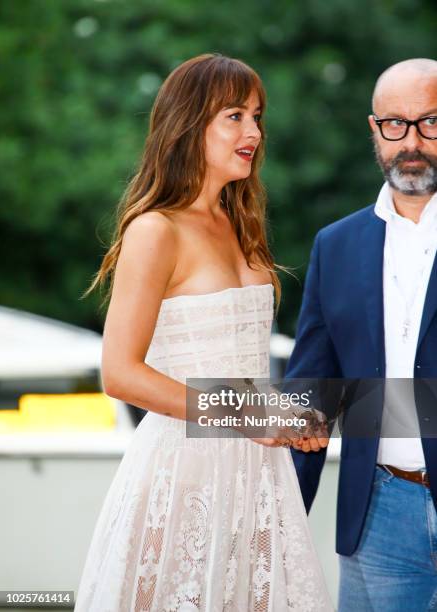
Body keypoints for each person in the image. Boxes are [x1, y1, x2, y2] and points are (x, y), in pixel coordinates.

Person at [75, 54, 333, 611]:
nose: (255, 133)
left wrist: (283, 415)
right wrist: (245, 415)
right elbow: (120, 374)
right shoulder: (155, 231)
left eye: (258, 117)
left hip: (258, 475)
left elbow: (236, 374)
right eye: (235, 116)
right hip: (183, 472)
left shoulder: (241, 225)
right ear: (190, 124)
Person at [286, 58, 437, 611]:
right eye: (395, 123)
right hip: (379, 514)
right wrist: (278, 522)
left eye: (431, 121)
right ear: (375, 130)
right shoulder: (336, 245)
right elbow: (311, 392)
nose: (412, 140)